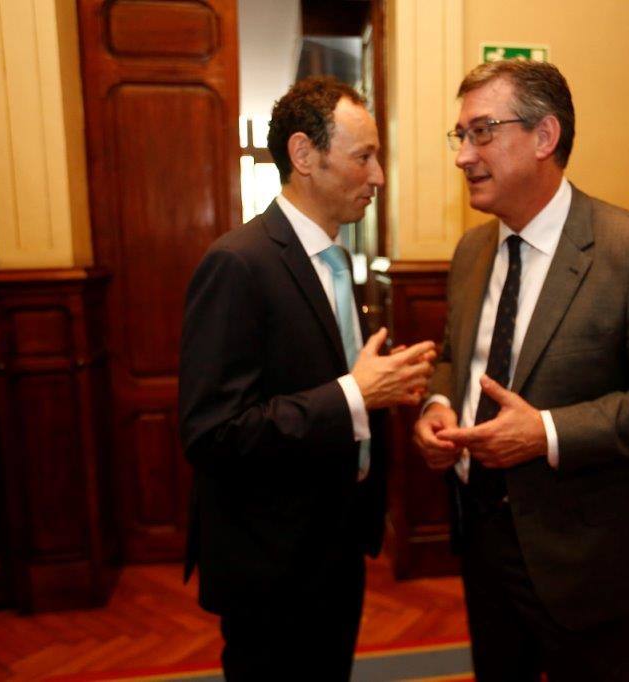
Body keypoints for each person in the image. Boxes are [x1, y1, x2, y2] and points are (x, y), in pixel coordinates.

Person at [412, 59, 629, 681]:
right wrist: (438, 407)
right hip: (482, 538)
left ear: (545, 137)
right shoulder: (473, 249)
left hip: (584, 553)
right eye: (460, 135)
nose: (463, 156)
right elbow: (455, 357)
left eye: (481, 132)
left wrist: (547, 433)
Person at [179, 76, 435, 681]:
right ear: (303, 156)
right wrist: (355, 394)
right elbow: (213, 432)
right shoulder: (238, 264)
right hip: (271, 560)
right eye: (363, 157)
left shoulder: (337, 258)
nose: (378, 177)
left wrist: (386, 386)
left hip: (336, 542)